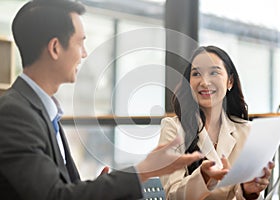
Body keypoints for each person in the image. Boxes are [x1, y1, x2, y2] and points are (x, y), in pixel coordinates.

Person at [0, 0, 203, 199]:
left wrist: (101, 188)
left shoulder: (43, 111)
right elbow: (54, 195)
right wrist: (142, 171)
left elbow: (63, 187)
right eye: (80, 43)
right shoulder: (14, 114)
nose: (84, 53)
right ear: (55, 48)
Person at [158, 45, 275, 199]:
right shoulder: (173, 128)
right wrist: (204, 178)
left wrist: (248, 192)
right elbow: (172, 196)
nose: (205, 82)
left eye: (214, 72)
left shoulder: (247, 131)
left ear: (230, 82)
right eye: (196, 74)